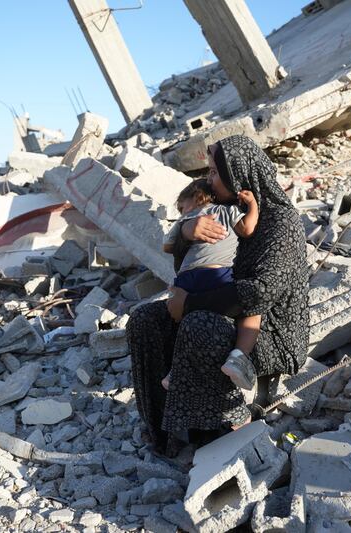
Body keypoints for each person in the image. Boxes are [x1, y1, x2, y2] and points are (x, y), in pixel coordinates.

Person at [126, 135, 309, 455]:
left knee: (200, 324)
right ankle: (163, 429)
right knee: (144, 320)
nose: (207, 179)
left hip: (267, 331)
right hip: (223, 310)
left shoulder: (281, 222)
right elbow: (189, 270)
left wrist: (191, 304)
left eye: (213, 172)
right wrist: (186, 234)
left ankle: (222, 428)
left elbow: (259, 294)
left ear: (236, 176)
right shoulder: (219, 211)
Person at [161, 179, 261, 391]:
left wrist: (186, 231)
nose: (181, 212)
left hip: (185, 279)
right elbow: (249, 229)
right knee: (251, 308)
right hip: (216, 273)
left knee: (184, 325)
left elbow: (167, 247)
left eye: (182, 206)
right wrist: (252, 204)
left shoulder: (184, 221)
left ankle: (174, 372)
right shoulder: (227, 211)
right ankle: (238, 358)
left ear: (196, 198)